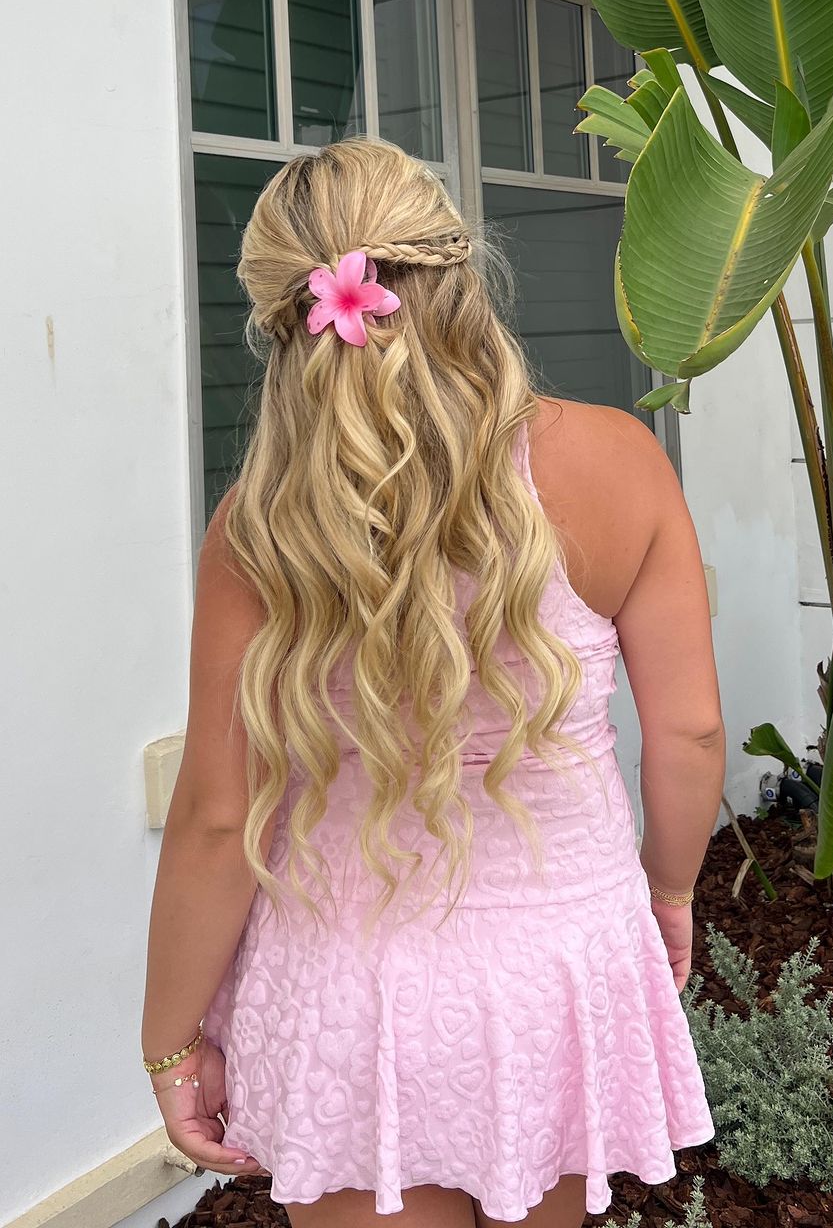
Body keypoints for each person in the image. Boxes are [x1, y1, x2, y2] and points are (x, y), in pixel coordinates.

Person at [143, 138, 725, 1228]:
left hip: (344, 987)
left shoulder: (258, 529)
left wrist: (170, 1043)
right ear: (460, 268)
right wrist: (672, 891)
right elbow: (688, 734)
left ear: (280, 316)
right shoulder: (618, 461)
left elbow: (219, 818)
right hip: (557, 966)